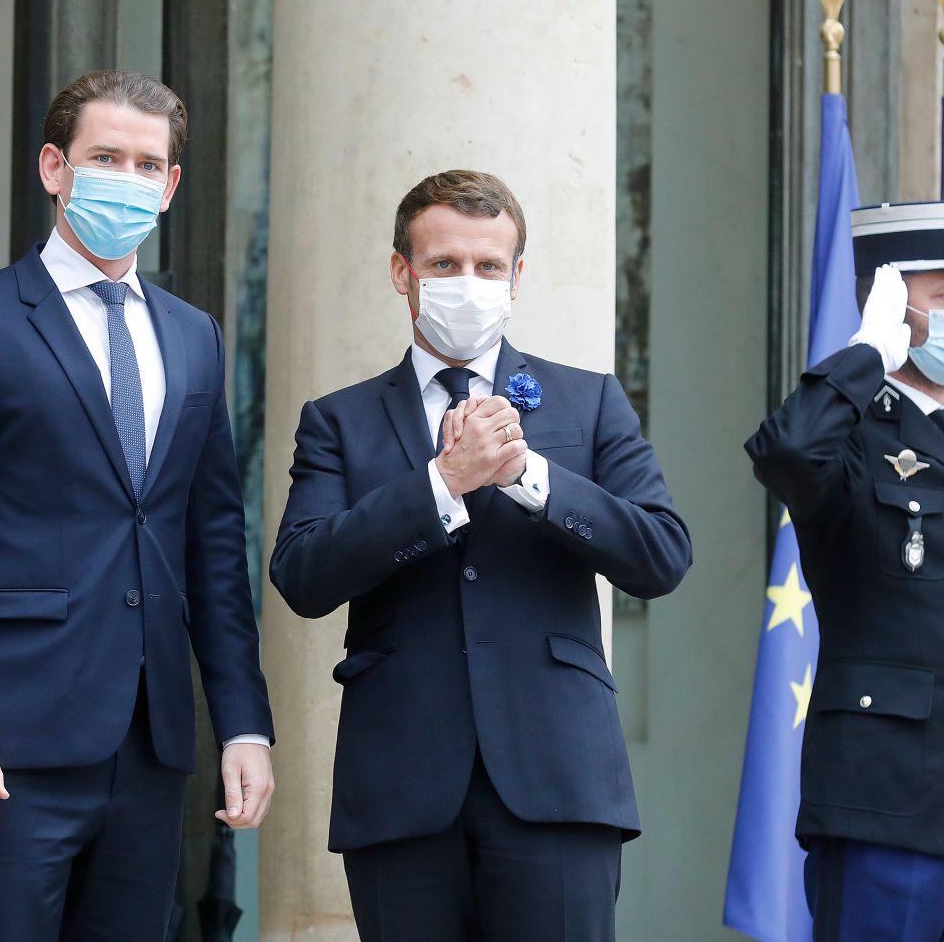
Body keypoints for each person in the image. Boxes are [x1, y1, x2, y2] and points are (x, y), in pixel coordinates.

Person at [0, 69, 274, 940]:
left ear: (170, 186)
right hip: (6, 742)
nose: (127, 179)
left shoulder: (195, 337)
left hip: (150, 744)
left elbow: (214, 545)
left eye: (148, 165)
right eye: (106, 158)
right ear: (54, 168)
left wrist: (244, 724)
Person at [269, 169, 691, 942]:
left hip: (557, 779)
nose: (469, 282)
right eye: (444, 264)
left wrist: (531, 477)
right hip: (402, 785)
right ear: (403, 272)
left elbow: (661, 555)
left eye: (488, 265)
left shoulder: (590, 400)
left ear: (516, 277)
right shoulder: (338, 421)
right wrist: (442, 484)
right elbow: (302, 574)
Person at [746, 200, 944, 941]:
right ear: (891, 303)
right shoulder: (849, 432)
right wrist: (866, 354)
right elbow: (785, 451)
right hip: (885, 803)